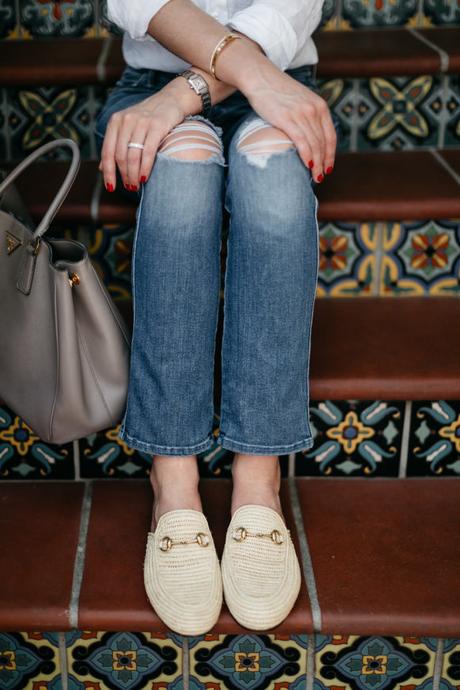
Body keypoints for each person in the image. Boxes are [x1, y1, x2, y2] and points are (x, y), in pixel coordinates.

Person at [96, 0, 339, 636]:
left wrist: (195, 90)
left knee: (278, 200)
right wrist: (194, 91)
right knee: (180, 190)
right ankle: (172, 480)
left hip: (279, 80)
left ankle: (258, 478)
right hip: (149, 87)